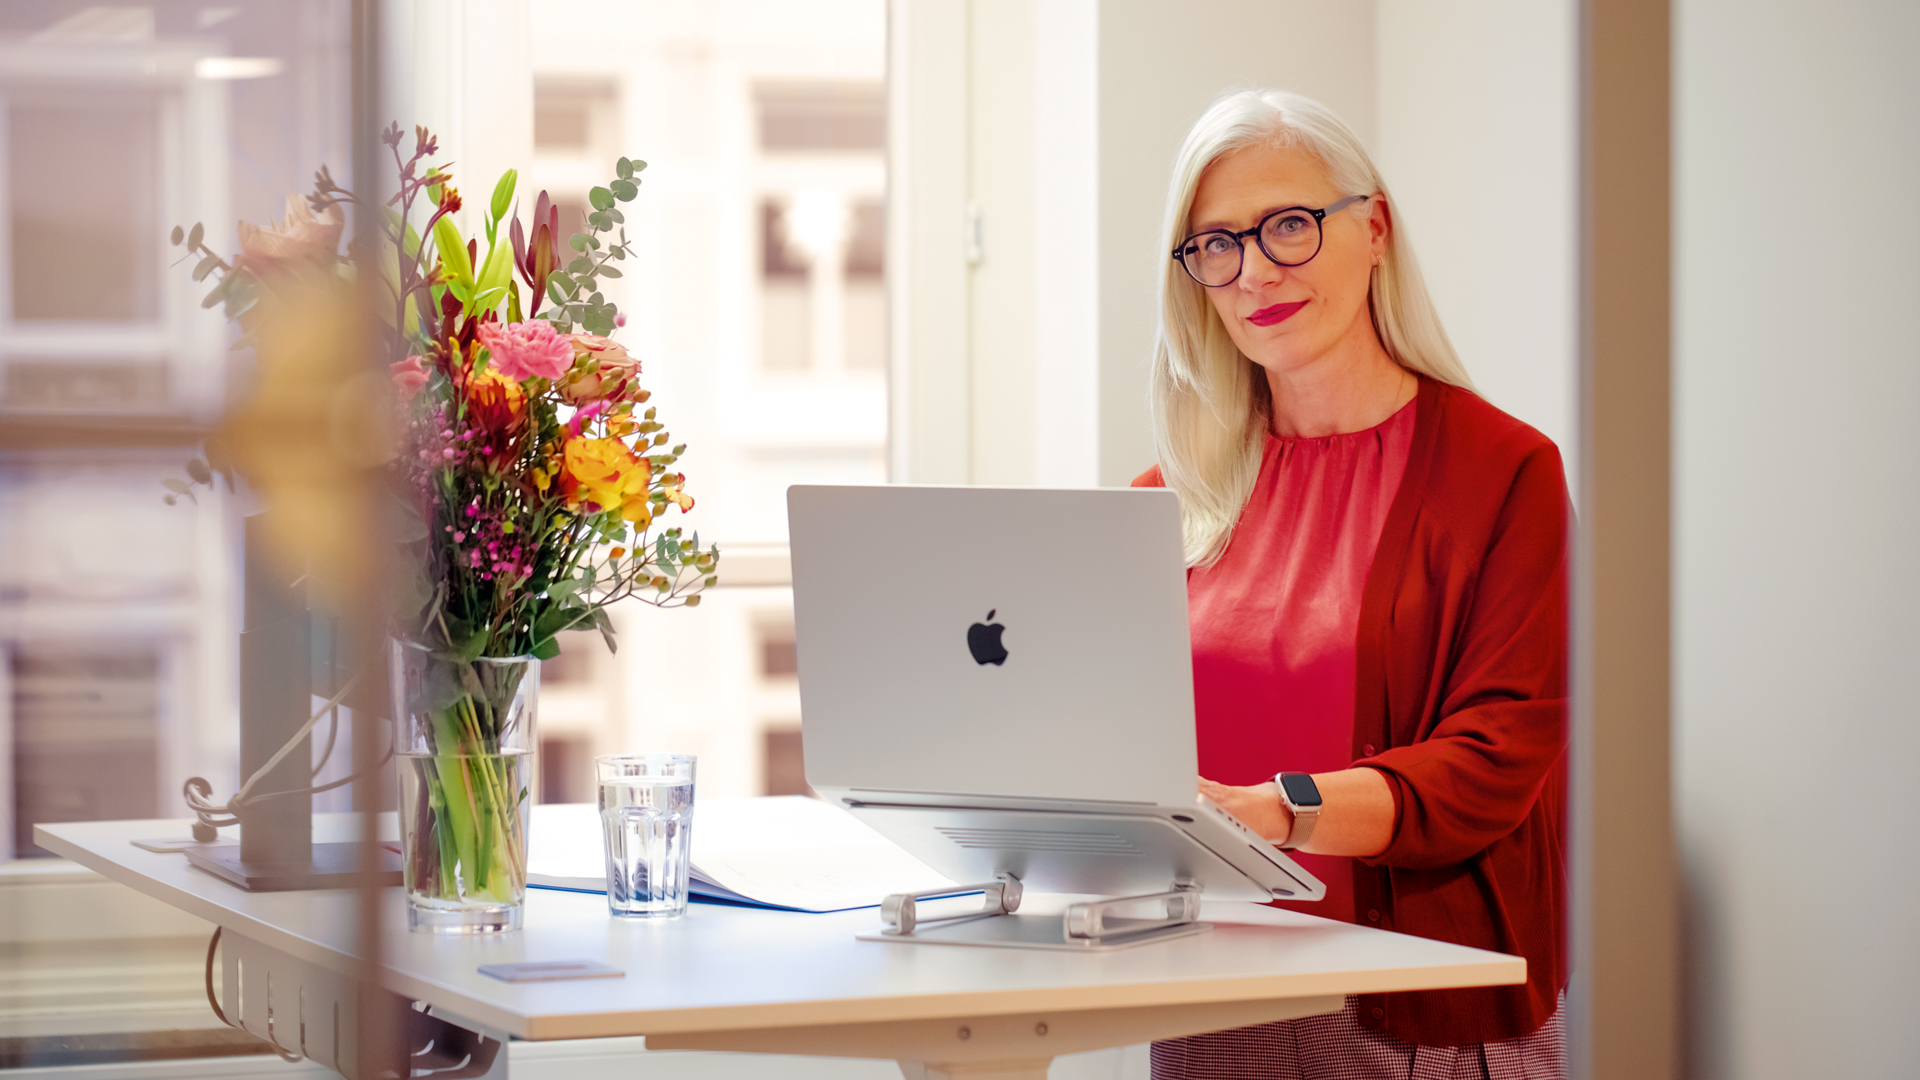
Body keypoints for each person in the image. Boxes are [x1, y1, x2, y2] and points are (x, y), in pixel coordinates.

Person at [1134, 89, 1569, 1079]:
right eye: (1216, 246)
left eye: (1289, 226)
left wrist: (1279, 810)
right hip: (1212, 987)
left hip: (1420, 997)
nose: (1254, 273)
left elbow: (1493, 762)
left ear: (1373, 229)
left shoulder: (1503, 474)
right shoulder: (1168, 500)